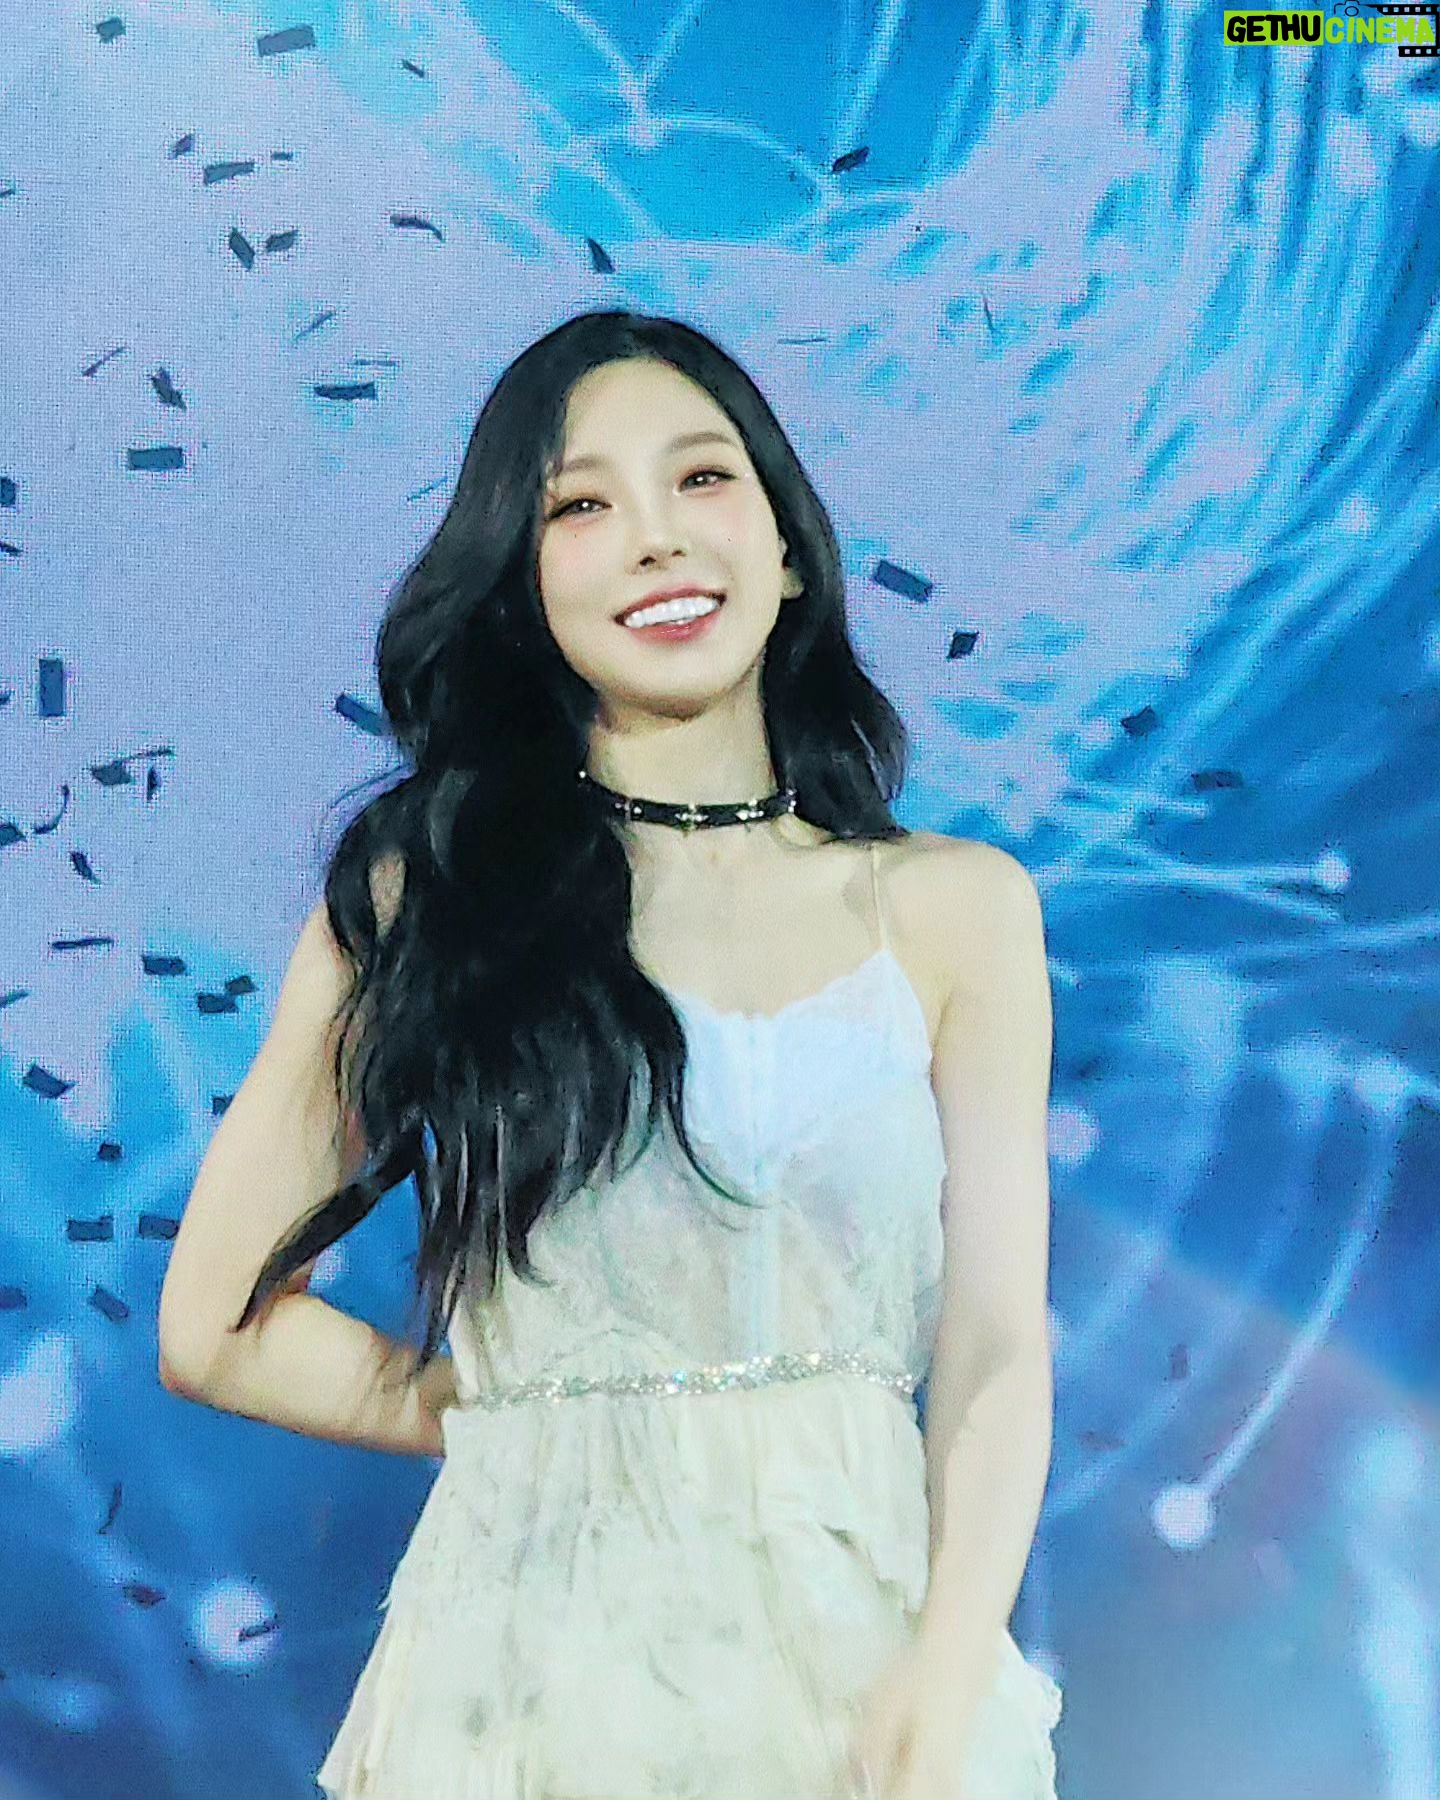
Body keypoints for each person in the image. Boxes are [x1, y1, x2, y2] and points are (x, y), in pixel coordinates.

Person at [156, 310, 1064, 1799]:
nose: (655, 537)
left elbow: (997, 1345)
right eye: (580, 506)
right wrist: (540, 1414)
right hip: (528, 1689)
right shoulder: (429, 894)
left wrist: (952, 1660)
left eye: (701, 479)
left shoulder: (958, 909)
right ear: (523, 589)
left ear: (789, 548)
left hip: (871, 1665)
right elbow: (213, 1326)